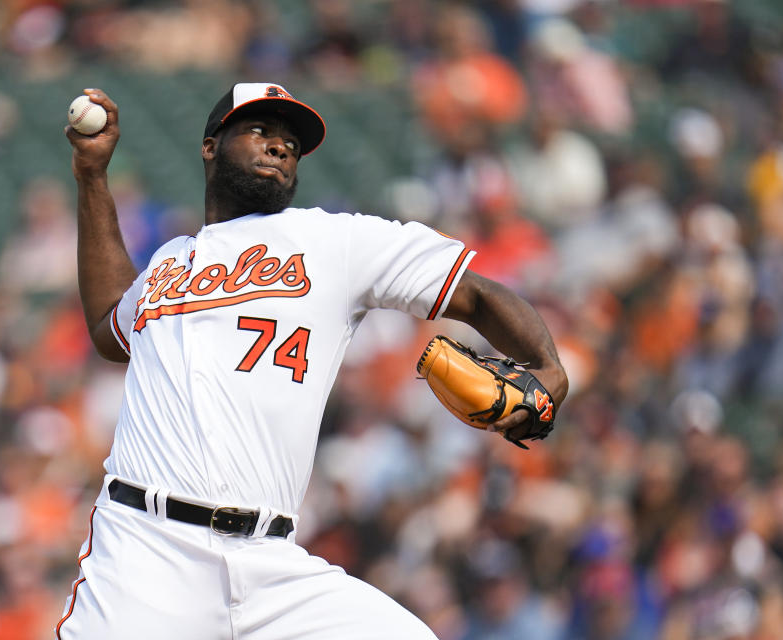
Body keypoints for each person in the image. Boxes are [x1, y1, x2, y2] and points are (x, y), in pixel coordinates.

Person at [56, 82, 568, 639]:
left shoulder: (336, 240)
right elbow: (110, 324)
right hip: (146, 552)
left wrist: (548, 366)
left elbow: (477, 294)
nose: (280, 146)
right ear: (210, 146)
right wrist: (91, 177)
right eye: (260, 130)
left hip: (271, 565)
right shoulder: (167, 264)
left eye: (291, 143)